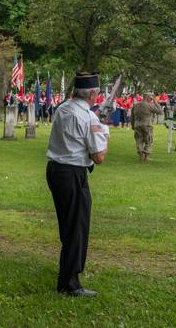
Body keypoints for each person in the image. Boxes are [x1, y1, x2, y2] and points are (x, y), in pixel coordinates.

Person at [45, 71, 109, 297]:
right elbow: (99, 157)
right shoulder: (89, 118)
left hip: (55, 169)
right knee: (77, 228)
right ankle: (69, 283)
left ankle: (68, 268)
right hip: (72, 173)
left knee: (68, 224)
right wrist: (104, 131)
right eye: (98, 93)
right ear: (92, 93)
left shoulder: (63, 108)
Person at [130, 92, 162, 162]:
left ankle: (141, 154)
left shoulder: (136, 105)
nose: (151, 99)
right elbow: (160, 111)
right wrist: (155, 102)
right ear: (148, 97)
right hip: (147, 125)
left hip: (137, 125)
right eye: (151, 98)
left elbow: (132, 117)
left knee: (139, 140)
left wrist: (132, 125)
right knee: (148, 140)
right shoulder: (149, 105)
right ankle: (146, 156)